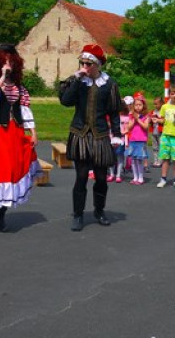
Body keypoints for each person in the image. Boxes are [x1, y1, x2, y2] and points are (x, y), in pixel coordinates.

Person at [0, 44, 39, 233]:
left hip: (14, 132)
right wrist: (2, 77)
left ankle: (1, 213)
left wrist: (33, 132)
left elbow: (25, 110)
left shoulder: (19, 86)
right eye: (4, 60)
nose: (8, 64)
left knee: (12, 171)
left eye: (11, 61)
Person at [59, 44, 122, 231]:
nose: (84, 66)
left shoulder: (109, 84)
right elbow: (66, 101)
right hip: (80, 134)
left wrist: (117, 134)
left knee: (101, 178)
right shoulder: (77, 82)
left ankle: (99, 211)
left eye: (88, 63)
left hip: (101, 135)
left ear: (97, 65)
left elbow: (114, 112)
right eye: (82, 63)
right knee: (81, 177)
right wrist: (77, 79)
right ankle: (78, 215)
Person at [125, 94, 150, 184]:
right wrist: (134, 119)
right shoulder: (131, 115)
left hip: (141, 140)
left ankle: (140, 177)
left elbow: (145, 127)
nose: (138, 107)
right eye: (136, 105)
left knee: (139, 160)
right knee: (133, 160)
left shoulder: (146, 116)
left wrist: (138, 119)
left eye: (140, 105)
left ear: (143, 106)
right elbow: (129, 127)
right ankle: (135, 177)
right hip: (133, 140)